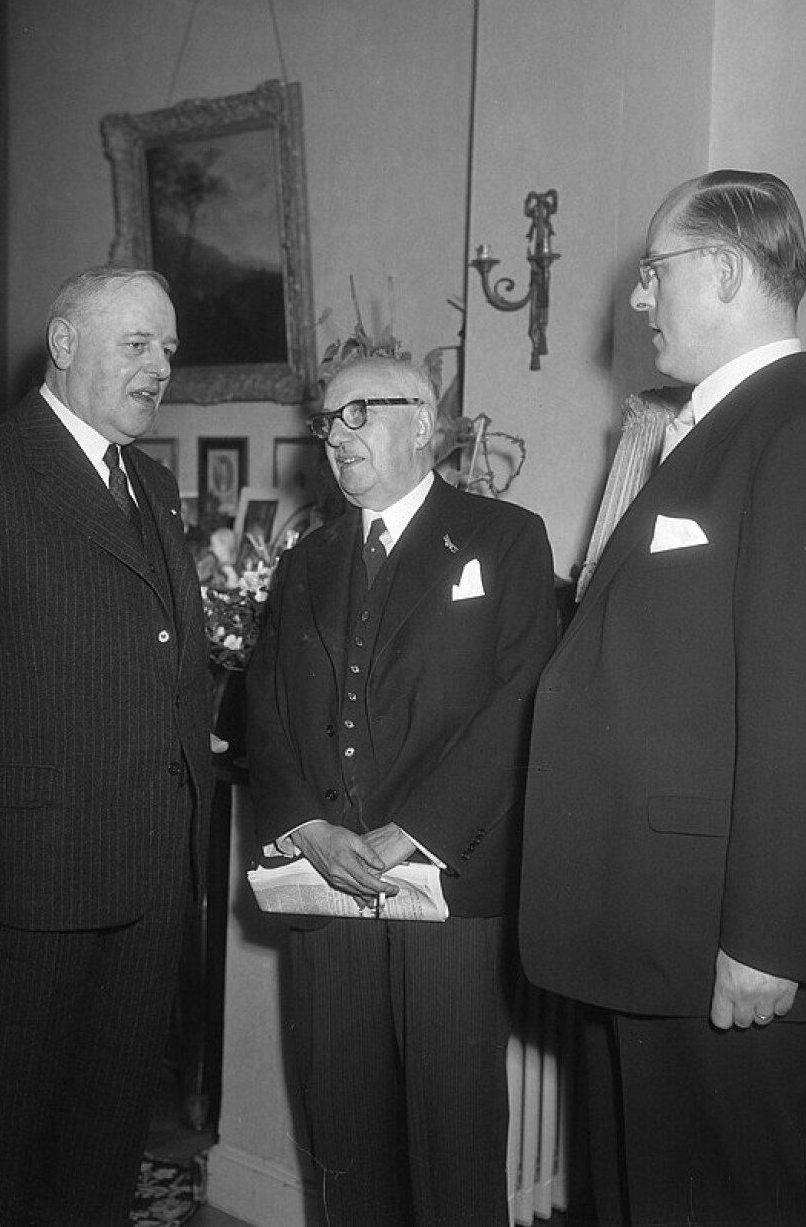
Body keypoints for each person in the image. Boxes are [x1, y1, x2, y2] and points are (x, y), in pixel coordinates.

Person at [519, 171, 806, 1226]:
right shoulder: (706, 430)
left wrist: (767, 939)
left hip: (714, 939)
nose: (638, 301)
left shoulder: (798, 434)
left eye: (654, 274)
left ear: (723, 269)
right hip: (644, 923)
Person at [0, 266, 214, 1224]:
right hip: (18, 889)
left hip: (141, 885)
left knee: (101, 1152)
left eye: (170, 350)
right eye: (137, 344)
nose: (160, 368)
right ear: (64, 344)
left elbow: (162, 665)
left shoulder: (149, 483)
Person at [247, 355, 559, 1227]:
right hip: (324, 895)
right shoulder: (305, 561)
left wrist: (411, 831)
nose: (336, 438)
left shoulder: (505, 540)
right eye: (327, 422)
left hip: (449, 903)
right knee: (346, 1158)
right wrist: (310, 828)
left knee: (455, 1160)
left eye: (358, 416)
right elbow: (265, 710)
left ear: (422, 423)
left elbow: (524, 699)